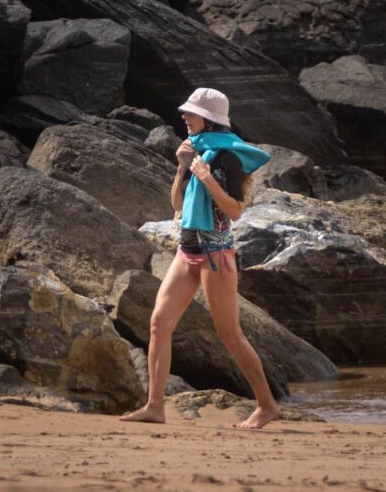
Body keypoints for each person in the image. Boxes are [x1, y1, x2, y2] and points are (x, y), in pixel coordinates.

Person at [118, 88, 283, 430]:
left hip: (215, 255)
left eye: (190, 113)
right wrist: (182, 169)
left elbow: (235, 211)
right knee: (158, 325)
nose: (183, 116)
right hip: (187, 249)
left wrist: (207, 179)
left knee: (230, 335)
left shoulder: (225, 157)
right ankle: (154, 407)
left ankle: (267, 406)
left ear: (208, 118)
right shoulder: (196, 151)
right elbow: (178, 206)